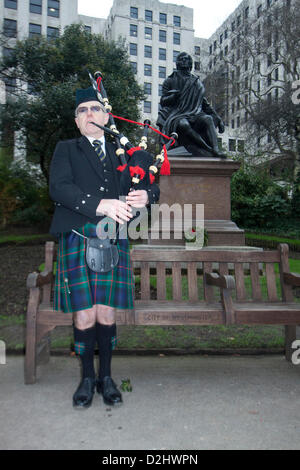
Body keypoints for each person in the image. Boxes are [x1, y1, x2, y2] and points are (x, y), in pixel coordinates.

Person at [49, 86, 160, 408]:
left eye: (94, 109)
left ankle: (107, 377)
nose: (89, 115)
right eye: (82, 111)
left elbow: (149, 187)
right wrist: (101, 204)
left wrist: (146, 197)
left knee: (107, 313)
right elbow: (59, 188)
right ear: (76, 121)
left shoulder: (123, 154)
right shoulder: (66, 149)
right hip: (78, 236)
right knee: (84, 315)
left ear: (106, 116)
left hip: (113, 239)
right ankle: (86, 378)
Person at [157, 52, 226, 158]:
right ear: (177, 63)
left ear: (190, 63)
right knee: (183, 124)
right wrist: (173, 96)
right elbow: (163, 101)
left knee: (208, 119)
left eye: (186, 59)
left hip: (194, 113)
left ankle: (216, 149)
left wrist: (218, 119)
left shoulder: (196, 82)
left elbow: (204, 103)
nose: (184, 61)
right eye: (181, 59)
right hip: (177, 114)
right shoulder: (170, 81)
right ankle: (208, 149)